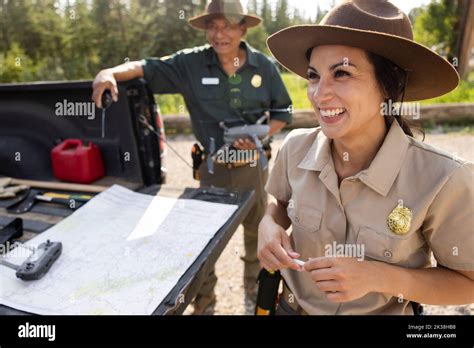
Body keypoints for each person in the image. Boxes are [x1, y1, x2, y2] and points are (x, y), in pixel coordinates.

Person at [258, 0, 473, 315]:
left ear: (389, 84)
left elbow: (468, 282)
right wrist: (268, 225)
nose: (319, 94)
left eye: (342, 73)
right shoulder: (295, 147)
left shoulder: (444, 177)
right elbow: (278, 204)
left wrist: (380, 277)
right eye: (314, 76)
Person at [92, 0, 292, 314]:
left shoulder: (263, 67)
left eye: (227, 25)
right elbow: (146, 66)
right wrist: (108, 73)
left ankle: (253, 288)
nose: (219, 33)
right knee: (204, 240)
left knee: (257, 230)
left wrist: (258, 135)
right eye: (212, 25)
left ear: (243, 28)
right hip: (211, 167)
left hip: (254, 167)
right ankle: (204, 302)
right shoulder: (190, 64)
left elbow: (283, 112)